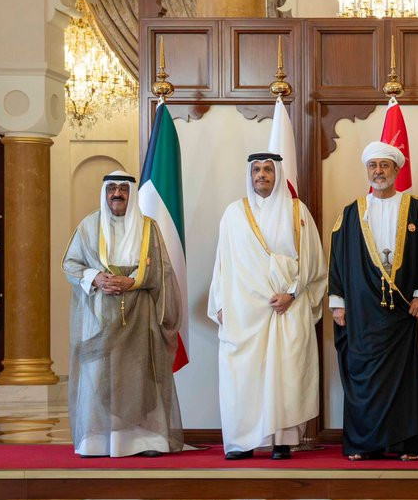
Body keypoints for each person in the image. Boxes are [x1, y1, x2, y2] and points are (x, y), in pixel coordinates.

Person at [327, 141, 418, 461]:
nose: (378, 171)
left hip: (407, 313)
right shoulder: (351, 213)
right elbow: (337, 260)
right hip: (363, 314)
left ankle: (406, 444)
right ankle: (365, 444)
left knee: (408, 380)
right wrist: (338, 302)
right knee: (364, 376)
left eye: (384, 165)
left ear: (396, 170)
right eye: (373, 166)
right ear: (367, 170)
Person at [208, 152, 327, 460]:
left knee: (285, 374)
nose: (261, 175)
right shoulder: (234, 213)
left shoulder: (296, 210)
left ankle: (282, 441)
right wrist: (220, 303)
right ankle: (242, 442)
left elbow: (312, 262)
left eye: (268, 170)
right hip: (243, 312)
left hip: (286, 309)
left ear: (278, 174)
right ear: (250, 175)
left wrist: (292, 293)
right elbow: (222, 263)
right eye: (257, 170)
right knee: (243, 375)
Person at [62, 171, 183, 457]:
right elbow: (70, 264)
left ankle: (146, 440)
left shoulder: (148, 228)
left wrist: (133, 281)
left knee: (140, 378)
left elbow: (162, 269)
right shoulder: (88, 226)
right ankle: (98, 442)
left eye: (123, 189)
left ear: (131, 193)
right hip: (100, 320)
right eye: (112, 189)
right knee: (100, 377)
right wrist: (95, 277)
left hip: (140, 319)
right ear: (105, 192)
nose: (117, 194)